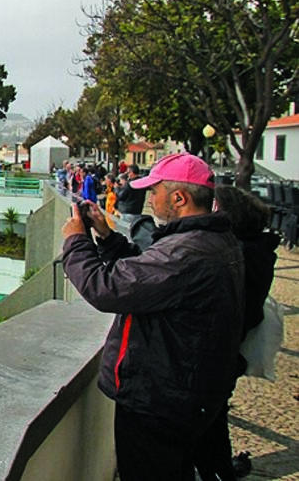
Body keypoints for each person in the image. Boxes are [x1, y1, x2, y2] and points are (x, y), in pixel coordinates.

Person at [61, 152, 245, 481]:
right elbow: (150, 280)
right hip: (184, 394)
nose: (150, 200)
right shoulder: (210, 242)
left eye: (155, 191)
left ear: (179, 197)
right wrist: (107, 236)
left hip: (159, 403)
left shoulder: (186, 252)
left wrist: (75, 240)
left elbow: (107, 288)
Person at [192, 185, 279, 481]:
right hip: (227, 355)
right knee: (213, 425)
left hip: (216, 356)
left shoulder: (238, 256)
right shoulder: (257, 250)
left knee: (208, 428)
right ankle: (220, 470)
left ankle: (218, 472)